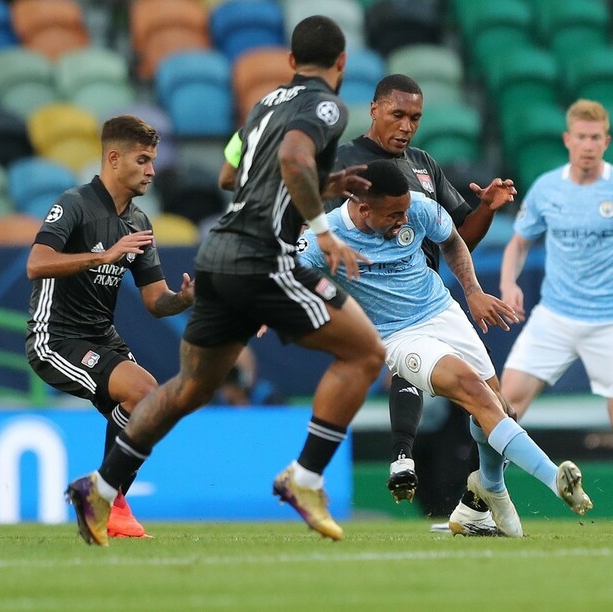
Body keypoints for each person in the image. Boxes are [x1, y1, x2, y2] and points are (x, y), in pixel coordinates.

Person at [65, 15, 385, 546]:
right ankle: (305, 478)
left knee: (189, 388)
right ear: (343, 63)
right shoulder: (327, 106)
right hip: (263, 256)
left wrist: (320, 183)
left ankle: (99, 488)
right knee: (366, 353)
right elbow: (292, 157)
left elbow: (230, 175)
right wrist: (323, 229)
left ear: (290, 61)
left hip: (217, 253)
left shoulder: (263, 105)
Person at [300, 159, 593, 537]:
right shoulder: (324, 236)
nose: (404, 221)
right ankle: (555, 479)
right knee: (474, 391)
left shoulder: (417, 208)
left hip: (442, 311)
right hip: (398, 336)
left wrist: (472, 290)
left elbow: (451, 239)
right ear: (364, 209)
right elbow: (284, 272)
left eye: (405, 212)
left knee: (500, 409)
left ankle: (484, 496)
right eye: (393, 215)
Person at [327, 73, 516, 532]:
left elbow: (458, 236)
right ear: (374, 110)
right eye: (398, 114)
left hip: (431, 301)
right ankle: (400, 459)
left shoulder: (423, 164)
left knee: (497, 408)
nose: (407, 126)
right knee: (420, 379)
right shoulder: (344, 164)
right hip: (377, 306)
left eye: (415, 117)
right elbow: (313, 232)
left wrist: (486, 210)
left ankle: (472, 505)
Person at [495, 99, 613, 534]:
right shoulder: (546, 188)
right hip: (554, 317)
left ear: (606, 141)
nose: (588, 145)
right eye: (581, 137)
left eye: (596, 138)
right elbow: (518, 243)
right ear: (567, 140)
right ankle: (484, 500)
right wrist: (507, 284)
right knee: (501, 408)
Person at [25, 114, 195, 539]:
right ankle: (104, 499)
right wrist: (101, 257)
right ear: (114, 159)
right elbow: (36, 263)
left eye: (153, 160)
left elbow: (156, 301)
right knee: (144, 391)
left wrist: (184, 299)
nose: (152, 170)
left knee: (152, 409)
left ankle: (108, 504)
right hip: (56, 337)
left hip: (102, 337)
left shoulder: (139, 223)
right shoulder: (74, 204)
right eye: (142, 160)